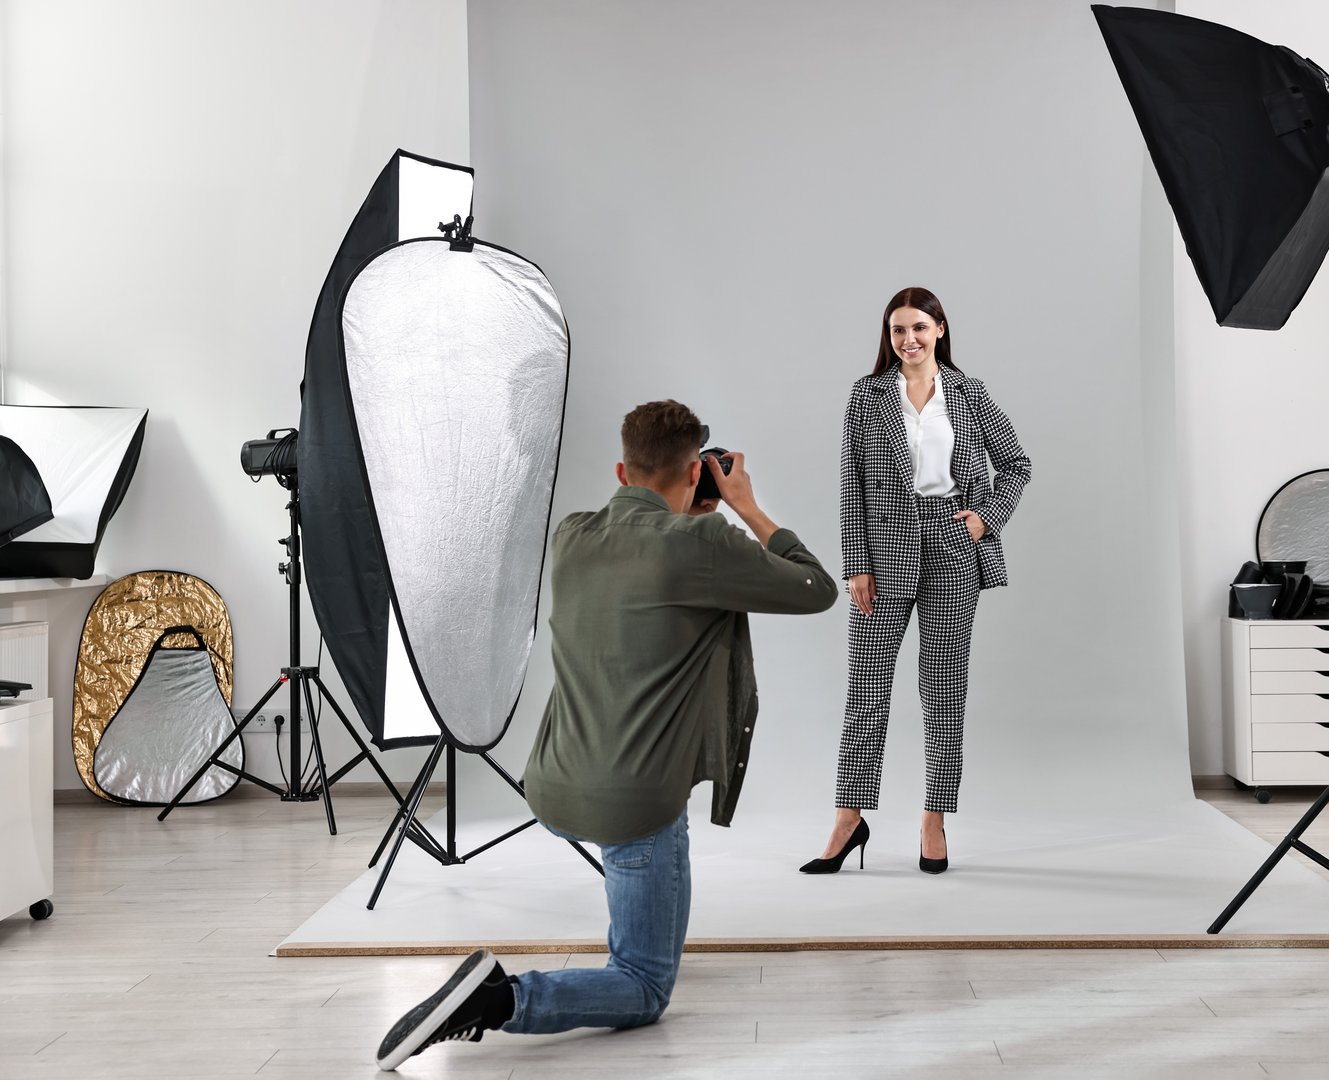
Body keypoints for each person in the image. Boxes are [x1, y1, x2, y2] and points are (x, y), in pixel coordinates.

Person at [378, 400, 837, 1071]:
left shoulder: (572, 535)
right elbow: (816, 587)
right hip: (633, 805)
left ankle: (600, 945)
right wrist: (744, 507)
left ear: (621, 468)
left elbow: (648, 569)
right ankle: (498, 1000)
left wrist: (689, 512)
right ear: (697, 475)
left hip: (554, 784)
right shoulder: (702, 545)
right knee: (644, 985)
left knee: (639, 899)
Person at [801, 286, 1031, 877]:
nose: (908, 340)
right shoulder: (867, 395)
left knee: (943, 693)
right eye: (898, 330)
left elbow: (1016, 463)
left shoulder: (969, 394)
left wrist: (986, 516)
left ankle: (935, 819)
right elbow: (852, 482)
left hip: (953, 547)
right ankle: (848, 819)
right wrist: (855, 563)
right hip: (883, 553)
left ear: (941, 331)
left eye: (919, 328)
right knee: (867, 691)